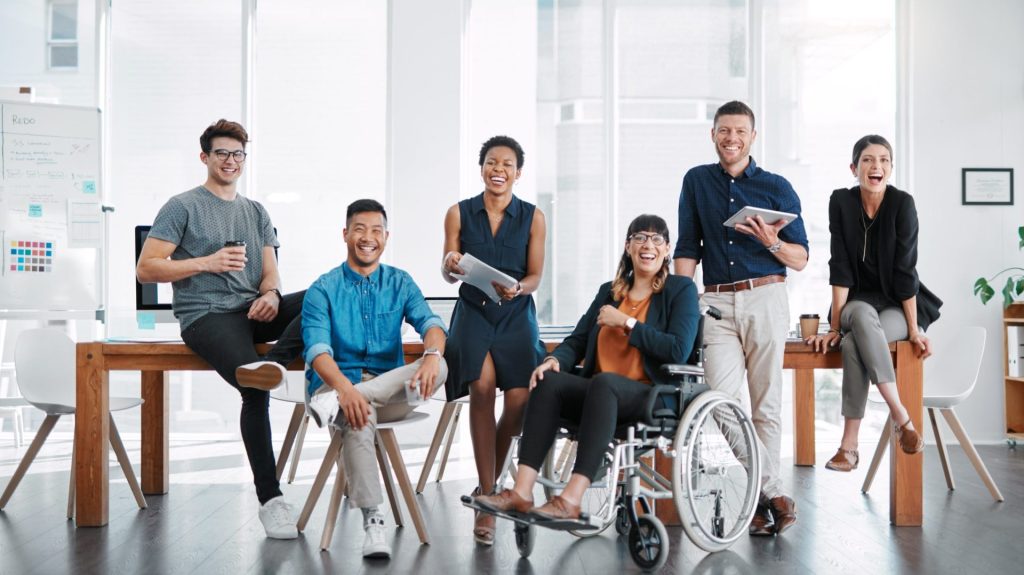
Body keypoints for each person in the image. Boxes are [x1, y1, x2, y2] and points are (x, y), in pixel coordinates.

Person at [136, 119, 304, 540]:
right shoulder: (182, 206)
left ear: (245, 159)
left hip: (253, 309)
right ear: (205, 158)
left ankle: (276, 362)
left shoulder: (256, 211)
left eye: (237, 154)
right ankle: (271, 500)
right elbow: (146, 269)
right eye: (222, 154)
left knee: (328, 294)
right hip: (206, 315)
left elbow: (270, 273)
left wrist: (272, 295)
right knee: (254, 388)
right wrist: (206, 262)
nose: (230, 161)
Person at [472, 214, 699, 521]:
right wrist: (554, 361)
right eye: (640, 238)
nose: (648, 245)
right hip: (600, 391)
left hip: (649, 392)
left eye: (657, 239)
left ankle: (571, 500)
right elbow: (577, 340)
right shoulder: (610, 291)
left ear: (667, 250)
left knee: (605, 383)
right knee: (548, 380)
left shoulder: (680, 290)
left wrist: (627, 323)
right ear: (628, 246)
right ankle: (520, 493)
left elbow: (678, 349)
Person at [673, 101, 808, 536]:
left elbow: (801, 258)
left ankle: (757, 506)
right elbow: (687, 247)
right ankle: (773, 492)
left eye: (740, 132)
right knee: (721, 400)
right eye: (724, 130)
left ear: (753, 137)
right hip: (716, 303)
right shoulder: (696, 181)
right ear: (713, 134)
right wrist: (682, 299)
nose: (731, 138)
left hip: (767, 296)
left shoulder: (776, 186)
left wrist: (772, 241)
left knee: (766, 406)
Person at [302, 199, 448, 560]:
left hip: (387, 391)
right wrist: (344, 389)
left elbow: (431, 324)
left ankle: (345, 399)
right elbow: (318, 351)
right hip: (340, 385)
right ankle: (373, 520)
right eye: (360, 229)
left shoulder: (400, 282)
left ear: (386, 236)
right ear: (346, 234)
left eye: (377, 230)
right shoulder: (323, 288)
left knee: (443, 366)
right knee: (357, 413)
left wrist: (431, 355)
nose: (369, 238)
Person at [806, 134, 941, 472]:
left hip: (897, 305)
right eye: (867, 159)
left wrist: (913, 329)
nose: (875, 165)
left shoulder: (902, 204)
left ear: (891, 168)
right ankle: (902, 416)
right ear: (854, 168)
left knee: (854, 344)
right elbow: (839, 266)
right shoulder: (841, 202)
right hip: (855, 303)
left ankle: (848, 447)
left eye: (883, 160)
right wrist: (835, 326)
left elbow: (905, 271)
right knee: (862, 318)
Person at [440, 135, 546, 545]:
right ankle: (487, 498)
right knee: (481, 388)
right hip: (473, 313)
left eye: (506, 164)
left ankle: (493, 482)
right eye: (490, 162)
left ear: (518, 173)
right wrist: (450, 263)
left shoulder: (533, 217)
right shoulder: (458, 212)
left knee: (519, 400)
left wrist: (519, 288)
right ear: (481, 167)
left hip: (516, 313)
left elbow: (536, 275)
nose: (497, 169)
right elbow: (449, 269)